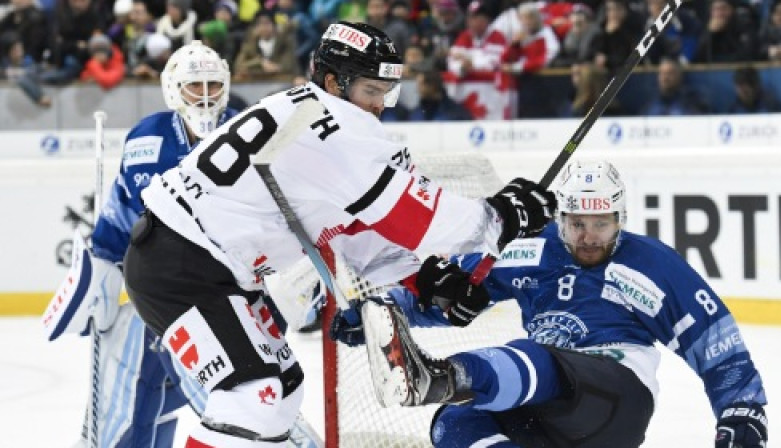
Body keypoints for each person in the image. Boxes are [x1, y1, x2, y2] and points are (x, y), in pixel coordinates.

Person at [122, 21, 555, 448]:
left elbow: (351, 231)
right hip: (183, 265)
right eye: (371, 91)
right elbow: (412, 218)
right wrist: (499, 217)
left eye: (387, 93)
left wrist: (424, 277)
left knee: (280, 394)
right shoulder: (332, 127)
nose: (380, 105)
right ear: (334, 82)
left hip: (199, 263)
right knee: (254, 398)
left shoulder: (307, 113)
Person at [331, 160, 769, 448]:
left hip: (615, 404)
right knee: (455, 423)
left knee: (531, 355)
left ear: (621, 219)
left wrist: (742, 412)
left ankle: (445, 376)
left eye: (602, 223)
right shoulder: (530, 249)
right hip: (544, 412)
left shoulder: (652, 263)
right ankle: (449, 388)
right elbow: (448, 291)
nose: (589, 235)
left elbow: (715, 344)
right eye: (578, 223)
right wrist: (377, 313)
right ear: (561, 219)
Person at [43, 41, 250, 448]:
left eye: (212, 83)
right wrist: (101, 267)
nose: (205, 95)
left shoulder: (246, 134)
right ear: (174, 89)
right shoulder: (146, 138)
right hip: (152, 294)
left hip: (224, 303)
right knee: (124, 403)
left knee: (242, 405)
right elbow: (122, 211)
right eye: (195, 85)